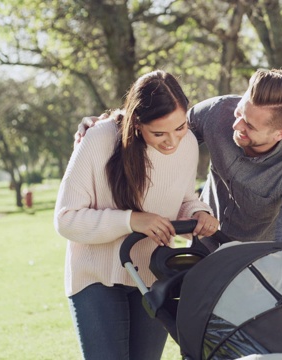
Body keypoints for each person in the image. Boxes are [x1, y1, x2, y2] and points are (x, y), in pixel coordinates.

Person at [55, 70, 219, 360]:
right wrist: (130, 220)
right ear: (137, 124)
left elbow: (182, 198)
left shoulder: (188, 144)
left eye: (180, 127)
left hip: (152, 275)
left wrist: (199, 213)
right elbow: (66, 219)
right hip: (96, 277)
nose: (172, 142)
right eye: (159, 133)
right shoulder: (99, 139)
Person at [77, 69, 282, 250]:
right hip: (202, 244)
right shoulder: (216, 112)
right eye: (239, 112)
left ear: (281, 133)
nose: (236, 125)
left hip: (255, 257)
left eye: (250, 126)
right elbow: (162, 126)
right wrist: (110, 125)